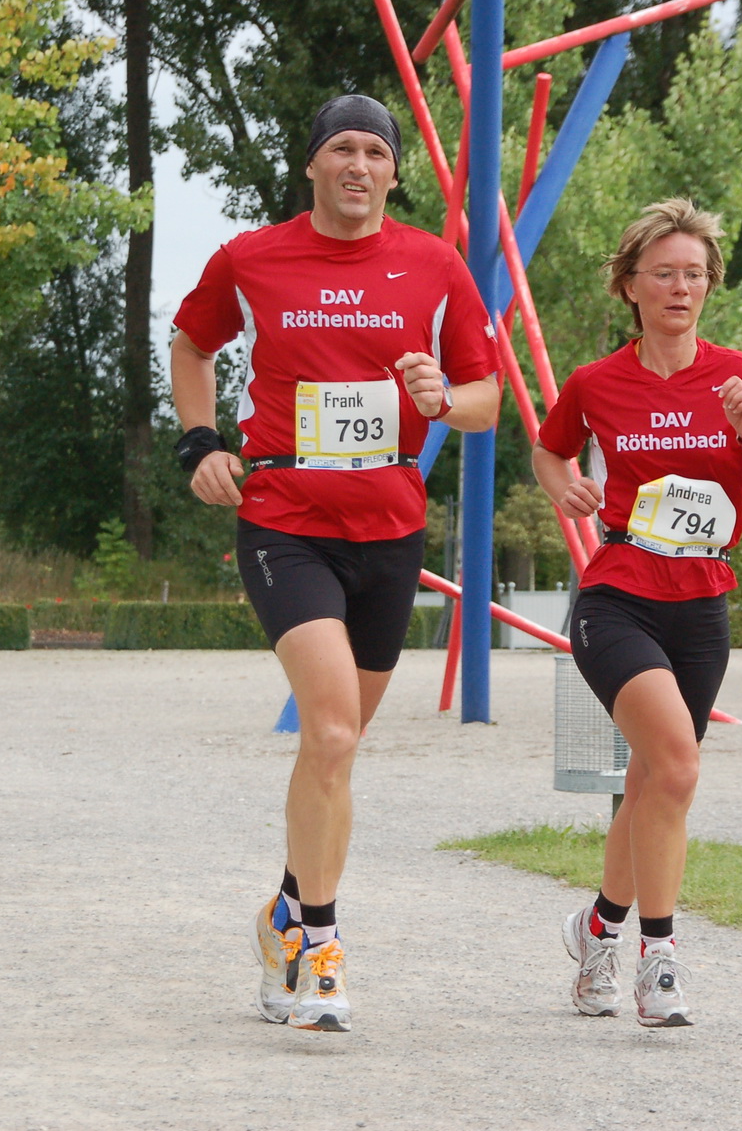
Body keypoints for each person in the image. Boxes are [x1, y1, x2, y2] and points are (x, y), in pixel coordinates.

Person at [170, 94, 501, 1032]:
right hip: (286, 520)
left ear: (395, 172)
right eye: (340, 148)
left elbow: (486, 401)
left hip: (389, 526)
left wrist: (444, 396)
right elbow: (192, 342)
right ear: (312, 165)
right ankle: (318, 945)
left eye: (375, 151)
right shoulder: (253, 258)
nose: (358, 164)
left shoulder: (435, 266)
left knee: (334, 752)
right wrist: (199, 443)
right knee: (335, 733)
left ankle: (282, 908)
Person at [532, 199, 742, 1027]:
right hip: (617, 595)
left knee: (653, 780)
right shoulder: (595, 381)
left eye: (695, 274)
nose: (682, 287)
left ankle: (596, 931)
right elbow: (551, 445)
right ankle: (660, 958)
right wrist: (563, 486)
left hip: (702, 601)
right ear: (631, 287)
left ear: (709, 285)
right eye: (665, 274)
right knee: (677, 766)